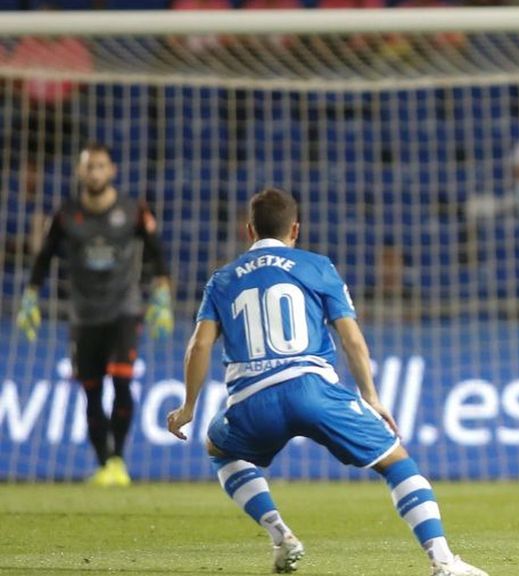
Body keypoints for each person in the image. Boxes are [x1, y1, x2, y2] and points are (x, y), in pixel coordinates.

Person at [165, 188, 487, 576]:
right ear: (295, 229)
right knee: (398, 463)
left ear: (248, 230)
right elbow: (351, 338)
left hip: (252, 400)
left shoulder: (222, 279)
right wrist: (371, 396)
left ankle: (280, 534)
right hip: (313, 391)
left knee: (218, 447)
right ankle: (443, 562)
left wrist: (189, 407)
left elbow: (198, 346)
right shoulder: (317, 266)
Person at [17, 142, 173, 487]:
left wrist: (162, 292)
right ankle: (104, 464)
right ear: (79, 171)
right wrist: (30, 295)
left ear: (112, 170)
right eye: (89, 166)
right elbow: (43, 259)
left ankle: (118, 459)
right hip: (84, 316)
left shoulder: (132, 211)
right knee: (91, 391)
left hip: (124, 310)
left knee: (121, 382)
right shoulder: (65, 215)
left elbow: (157, 253)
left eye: (101, 166)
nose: (95, 172)